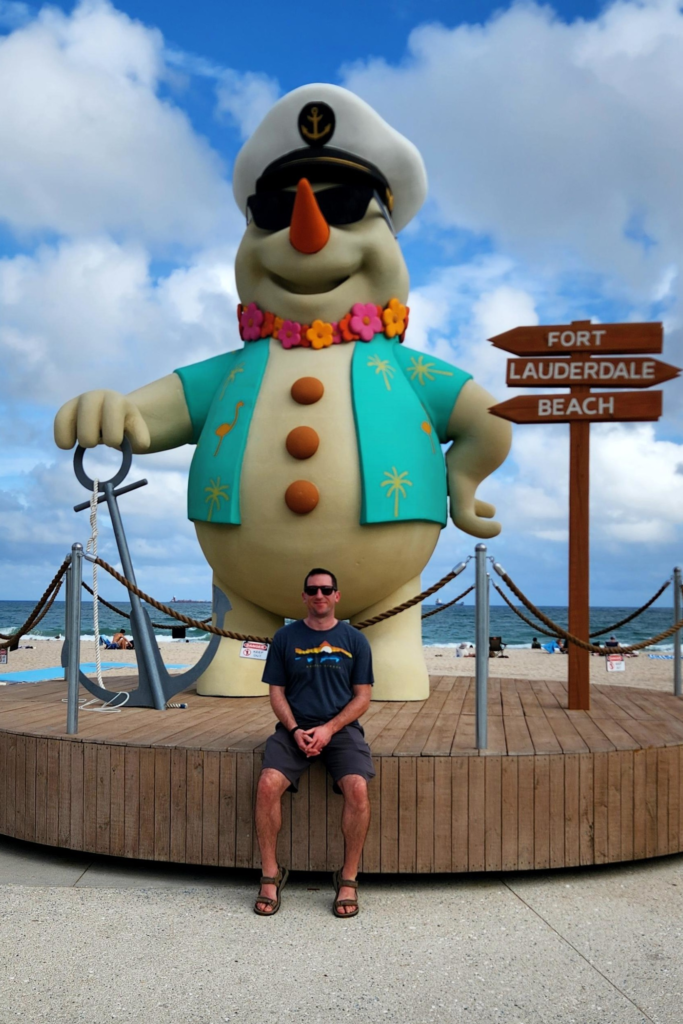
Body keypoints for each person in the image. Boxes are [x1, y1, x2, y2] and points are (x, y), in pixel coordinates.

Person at [254, 568, 375, 918]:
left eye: (326, 589)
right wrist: (294, 730)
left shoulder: (355, 640)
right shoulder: (285, 638)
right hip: (294, 730)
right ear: (304, 596)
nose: (319, 595)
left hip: (341, 731)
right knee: (267, 784)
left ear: (337, 595)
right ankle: (270, 875)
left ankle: (348, 878)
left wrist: (329, 729)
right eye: (312, 590)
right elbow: (276, 693)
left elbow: (363, 697)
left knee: (357, 788)